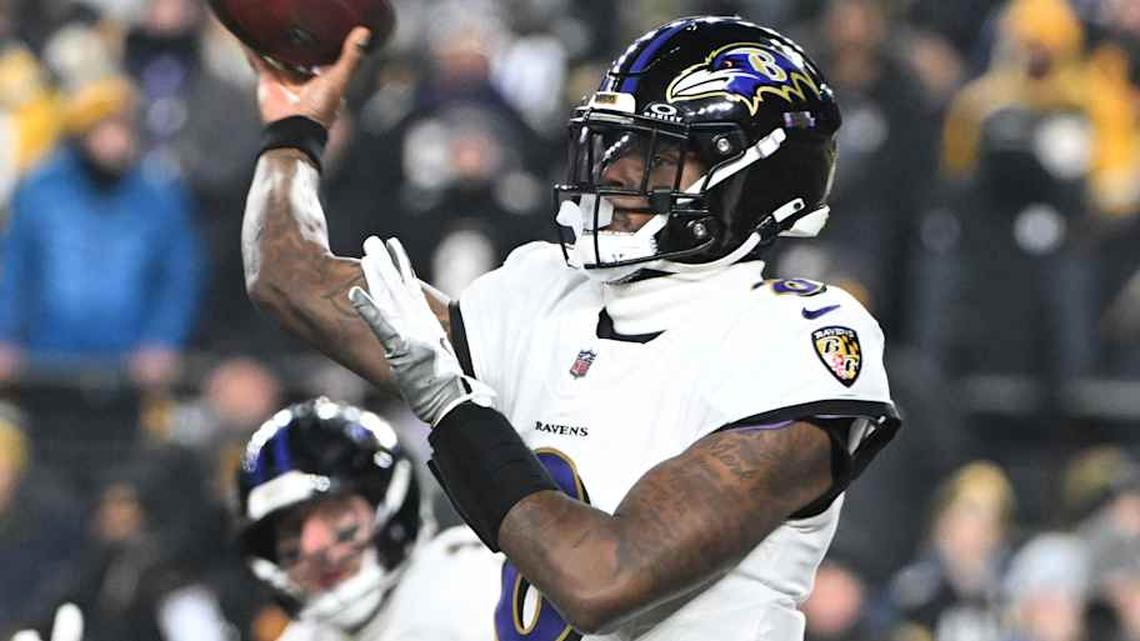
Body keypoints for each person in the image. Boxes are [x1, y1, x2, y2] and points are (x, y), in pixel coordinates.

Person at [240, 15, 900, 640]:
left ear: (754, 180)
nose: (613, 169)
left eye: (657, 153)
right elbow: (288, 277)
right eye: (616, 142)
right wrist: (294, 130)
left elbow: (604, 579)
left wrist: (456, 412)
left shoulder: (793, 336)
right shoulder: (547, 295)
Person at [234, 397, 502, 641]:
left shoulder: (476, 583)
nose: (312, 547)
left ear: (389, 499)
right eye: (291, 532)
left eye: (334, 514)